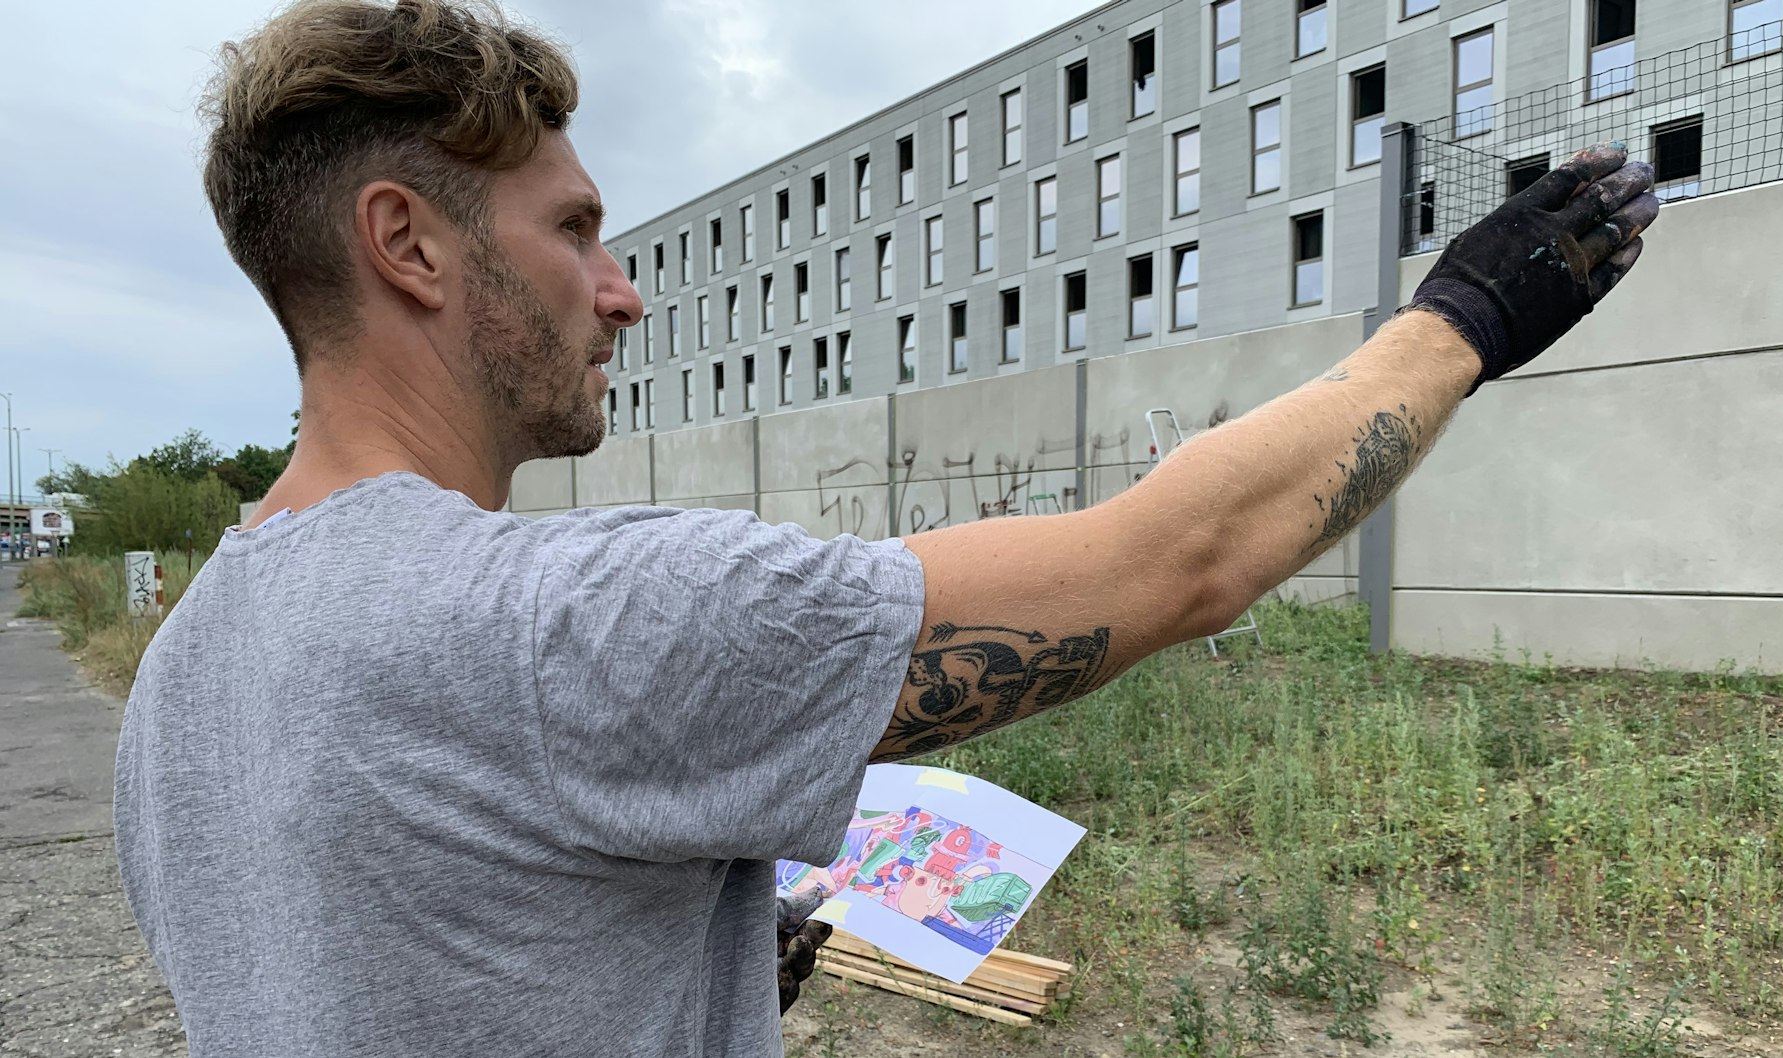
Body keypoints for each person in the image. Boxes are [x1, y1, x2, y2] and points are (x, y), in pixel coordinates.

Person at [111, 1, 1657, 1055]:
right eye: (573, 229)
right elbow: (1168, 562)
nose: (622, 288)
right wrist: (1464, 315)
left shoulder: (182, 678)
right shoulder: (567, 616)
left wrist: (687, 954)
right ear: (410, 245)